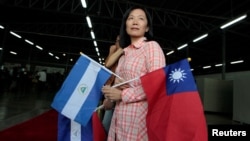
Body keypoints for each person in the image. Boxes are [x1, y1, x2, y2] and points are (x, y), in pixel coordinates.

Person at [101, 6, 166, 141]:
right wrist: (111, 96)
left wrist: (122, 94)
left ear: (147, 28)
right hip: (118, 122)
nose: (135, 22)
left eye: (141, 19)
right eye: (131, 18)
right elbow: (122, 84)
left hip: (138, 123)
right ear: (125, 25)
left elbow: (157, 84)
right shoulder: (124, 55)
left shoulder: (151, 47)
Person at [102, 35, 123, 134]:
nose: (117, 43)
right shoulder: (115, 52)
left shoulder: (127, 53)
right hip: (111, 92)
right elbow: (107, 66)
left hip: (122, 94)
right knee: (106, 125)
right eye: (116, 41)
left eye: (120, 41)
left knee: (116, 127)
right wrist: (112, 51)